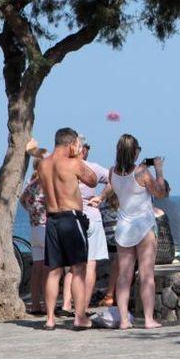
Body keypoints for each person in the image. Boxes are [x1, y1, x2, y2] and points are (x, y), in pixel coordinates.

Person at [37, 127, 97, 331]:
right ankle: (80, 318)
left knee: (53, 271)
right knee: (78, 269)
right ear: (71, 144)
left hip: (51, 219)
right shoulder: (73, 163)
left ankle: (50, 319)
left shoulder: (43, 165)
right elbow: (92, 180)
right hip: (71, 218)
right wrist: (79, 156)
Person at [111, 134, 165, 329]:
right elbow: (160, 192)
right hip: (143, 227)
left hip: (123, 228)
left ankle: (124, 320)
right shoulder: (142, 173)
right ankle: (149, 319)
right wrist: (158, 171)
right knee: (146, 274)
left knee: (124, 276)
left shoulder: (112, 173)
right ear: (135, 152)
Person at [78, 137, 111, 309]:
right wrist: (101, 196)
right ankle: (82, 308)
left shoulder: (61, 167)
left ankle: (70, 305)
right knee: (90, 264)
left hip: (70, 217)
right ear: (81, 149)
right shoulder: (93, 168)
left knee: (75, 267)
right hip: (91, 217)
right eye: (87, 147)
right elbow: (114, 178)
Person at [19, 164, 47, 315]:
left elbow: (22, 199)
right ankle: (47, 303)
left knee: (37, 269)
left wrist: (31, 211)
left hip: (34, 228)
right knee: (49, 270)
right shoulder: (47, 184)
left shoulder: (32, 184)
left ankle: (35, 303)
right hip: (45, 228)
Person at [98, 191, 121, 307]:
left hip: (109, 241)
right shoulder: (124, 202)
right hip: (122, 239)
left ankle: (111, 295)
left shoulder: (102, 204)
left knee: (115, 263)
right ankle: (111, 295)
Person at [153, 180, 180, 259]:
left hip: (159, 252)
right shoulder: (176, 207)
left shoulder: (151, 206)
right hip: (176, 251)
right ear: (169, 190)